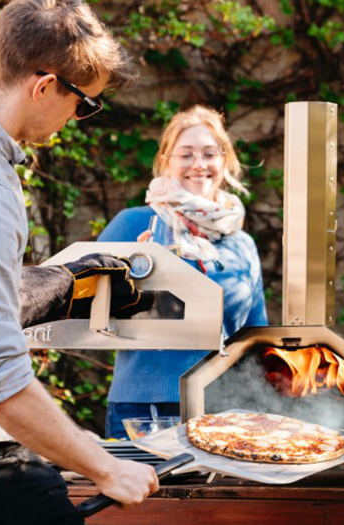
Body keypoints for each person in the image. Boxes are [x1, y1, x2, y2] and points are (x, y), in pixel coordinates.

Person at [0, 1, 160, 524]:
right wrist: (106, 468)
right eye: (84, 104)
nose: (80, 119)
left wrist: (70, 440)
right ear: (43, 87)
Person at [100, 105, 268, 439]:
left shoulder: (241, 242)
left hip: (226, 411)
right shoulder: (133, 224)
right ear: (165, 161)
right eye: (186, 154)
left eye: (209, 153)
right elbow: (86, 307)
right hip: (144, 410)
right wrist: (137, 275)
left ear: (225, 160)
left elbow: (255, 334)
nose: (199, 164)